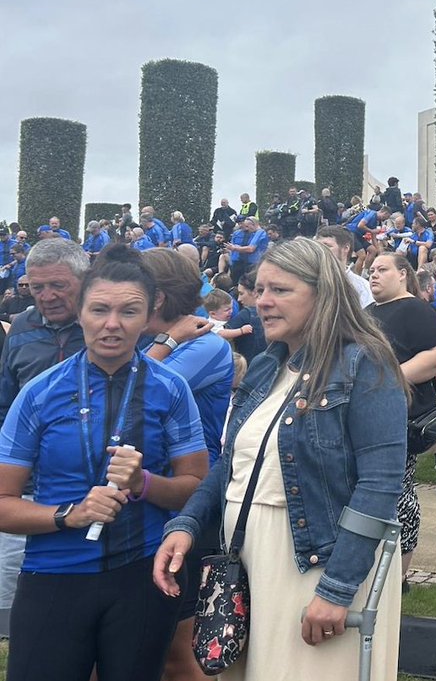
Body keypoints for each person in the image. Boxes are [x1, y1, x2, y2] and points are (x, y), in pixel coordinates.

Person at [155, 238, 408, 681]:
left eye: (280, 291)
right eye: (259, 290)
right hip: (247, 561)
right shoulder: (265, 367)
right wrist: (187, 525)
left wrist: (337, 589)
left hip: (315, 565)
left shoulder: (365, 364)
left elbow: (380, 485)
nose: (262, 302)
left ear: (323, 294)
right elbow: (232, 464)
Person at [0, 245, 208, 681]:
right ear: (80, 312)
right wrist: (68, 515)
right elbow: (2, 501)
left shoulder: (170, 389)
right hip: (54, 573)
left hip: (141, 575)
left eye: (128, 312)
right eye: (99, 310)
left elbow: (195, 485)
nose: (112, 325)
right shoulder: (39, 393)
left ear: (151, 313)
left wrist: (144, 482)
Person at [139, 247, 234, 681]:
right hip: (143, 495)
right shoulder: (145, 341)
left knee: (178, 649)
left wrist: (169, 341)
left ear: (155, 297)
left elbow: (138, 387)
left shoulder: (208, 343)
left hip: (186, 505)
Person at [0, 238, 90, 634]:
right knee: (14, 576)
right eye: (37, 287)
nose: (46, 296)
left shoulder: (102, 321)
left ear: (83, 280)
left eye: (58, 285)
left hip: (88, 482)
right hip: (28, 483)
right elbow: (5, 401)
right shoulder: (20, 327)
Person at [365, 251, 436, 585]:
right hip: (368, 413)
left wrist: (390, 380)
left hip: (399, 415)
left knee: (399, 493)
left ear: (403, 274)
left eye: (382, 269)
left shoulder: (415, 307)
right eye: (371, 270)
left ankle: (398, 576)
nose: (373, 275)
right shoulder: (367, 311)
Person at [316, 225, 374, 307]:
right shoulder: (307, 281)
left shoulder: (362, 288)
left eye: (327, 246)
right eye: (317, 246)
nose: (320, 250)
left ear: (346, 248)